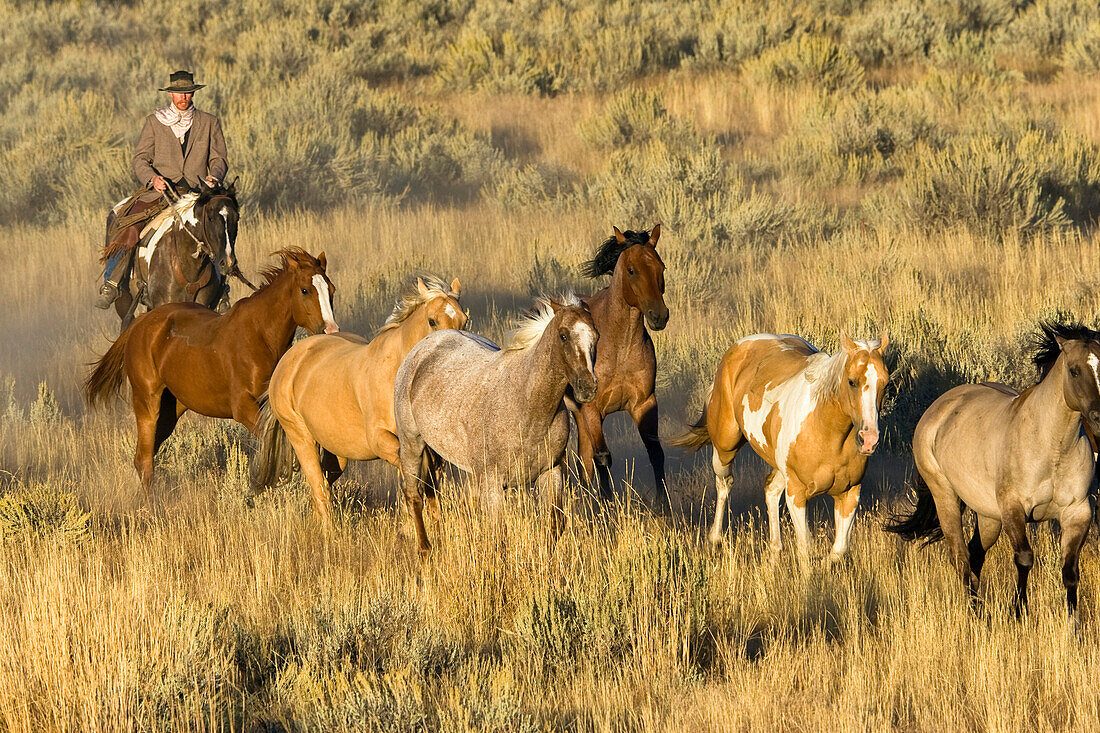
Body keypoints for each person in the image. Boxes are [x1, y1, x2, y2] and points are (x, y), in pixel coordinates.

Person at [96, 70, 229, 309]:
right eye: (179, 93)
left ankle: (221, 292)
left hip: (197, 194)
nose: (183, 97)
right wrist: (153, 179)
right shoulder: (154, 121)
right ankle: (113, 282)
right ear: (170, 93)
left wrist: (213, 177)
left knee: (219, 226)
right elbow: (140, 159)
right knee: (128, 225)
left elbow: (219, 159)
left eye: (187, 93)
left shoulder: (209, 122)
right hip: (161, 193)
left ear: (193, 94)